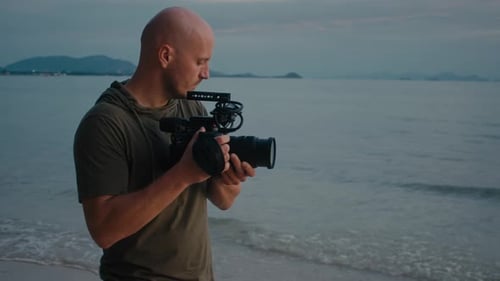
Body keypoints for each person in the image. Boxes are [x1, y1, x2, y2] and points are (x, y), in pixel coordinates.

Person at [73, 6, 256, 281]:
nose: (206, 74)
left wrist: (228, 179)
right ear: (166, 56)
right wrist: (182, 175)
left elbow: (222, 200)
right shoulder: (106, 123)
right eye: (200, 62)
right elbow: (104, 231)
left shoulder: (192, 109)